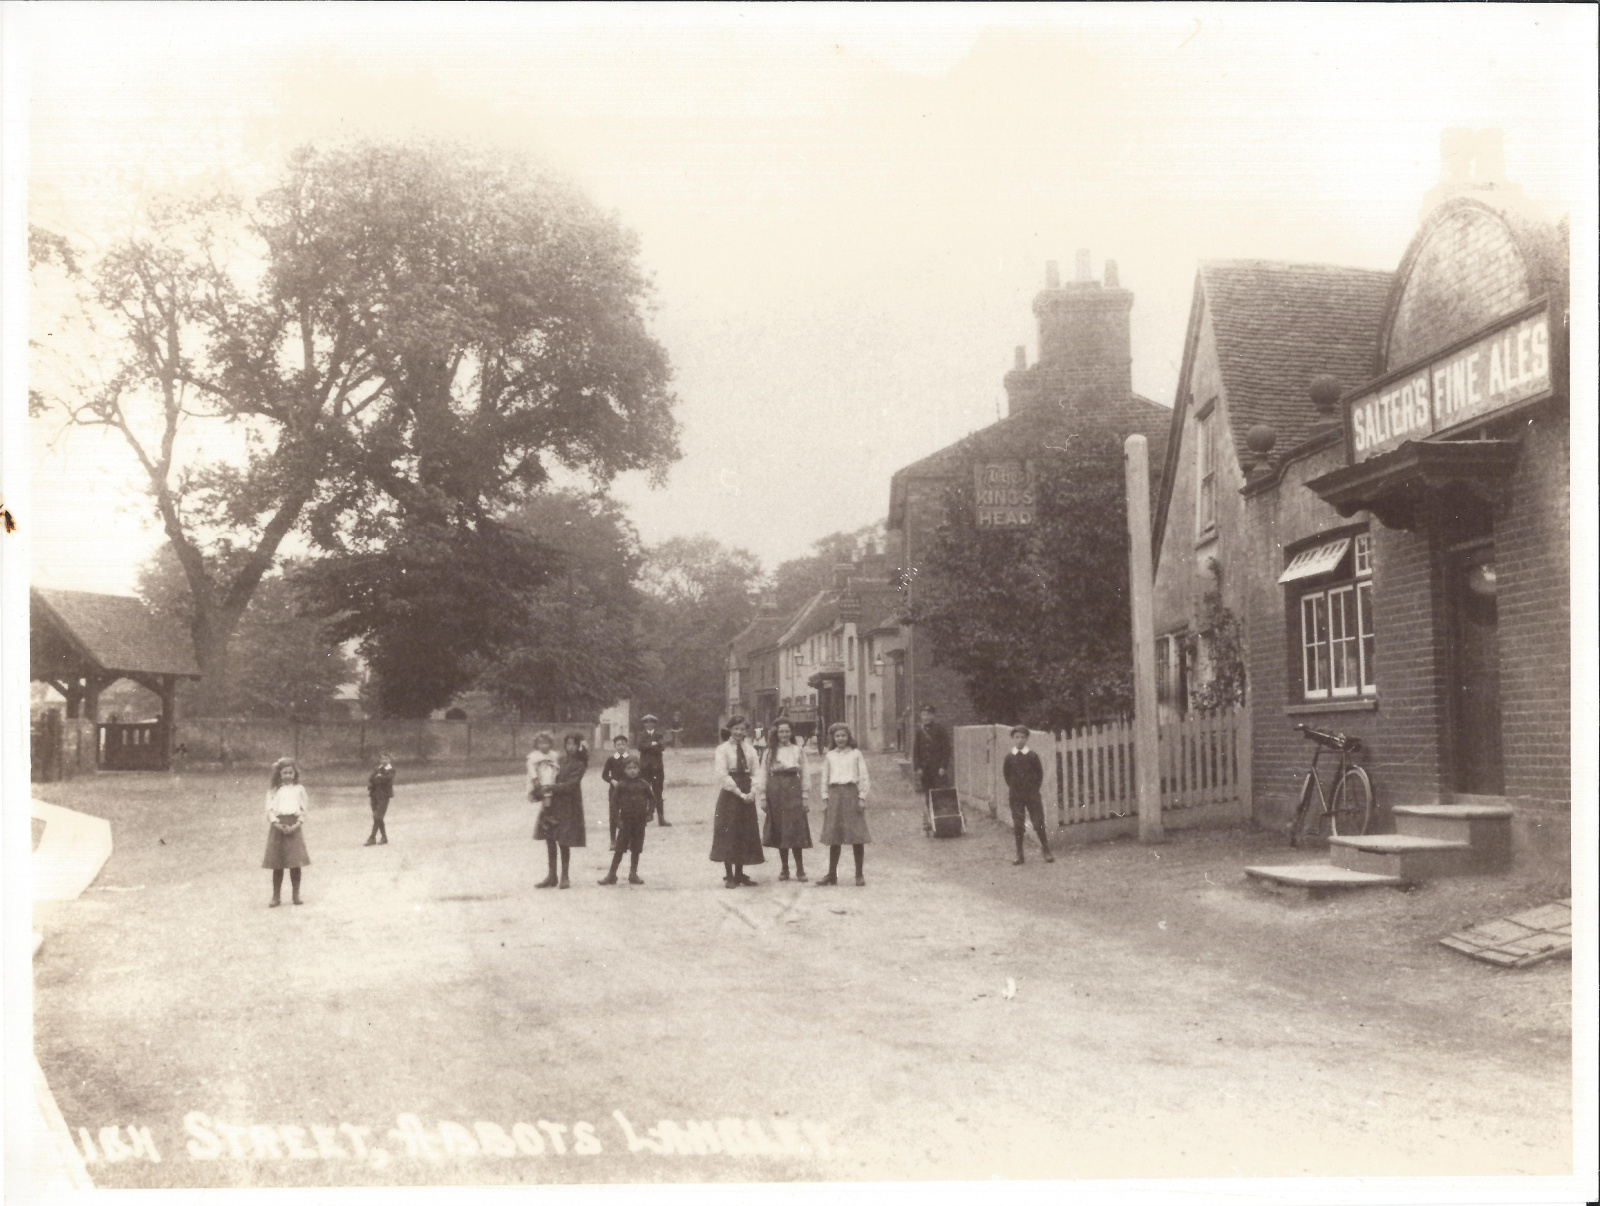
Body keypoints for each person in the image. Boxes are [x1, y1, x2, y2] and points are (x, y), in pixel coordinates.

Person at [710, 716, 765, 887]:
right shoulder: (722, 749)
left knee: (745, 831)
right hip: (731, 792)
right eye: (736, 729)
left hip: (747, 789)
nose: (739, 732)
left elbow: (757, 772)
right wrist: (739, 793)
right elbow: (722, 774)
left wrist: (753, 791)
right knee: (729, 831)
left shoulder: (751, 750)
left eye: (742, 729)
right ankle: (729, 875)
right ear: (730, 729)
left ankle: (740, 873)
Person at [818, 722, 871, 887]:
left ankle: (859, 874)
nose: (840, 739)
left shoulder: (856, 754)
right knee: (834, 836)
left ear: (849, 737)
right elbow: (824, 778)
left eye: (843, 735)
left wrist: (862, 797)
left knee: (857, 835)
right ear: (833, 738)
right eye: (837, 736)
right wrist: (825, 798)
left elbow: (863, 776)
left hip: (851, 794)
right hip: (834, 795)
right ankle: (832, 874)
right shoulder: (830, 756)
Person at [533, 732, 588, 889]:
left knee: (563, 839)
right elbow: (547, 774)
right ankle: (552, 875)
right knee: (550, 837)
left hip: (568, 805)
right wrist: (539, 786)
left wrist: (550, 787)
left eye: (573, 744)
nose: (570, 747)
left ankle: (565, 875)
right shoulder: (559, 760)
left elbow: (571, 785)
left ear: (579, 746)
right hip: (553, 803)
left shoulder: (580, 764)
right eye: (568, 744)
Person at [761, 718, 812, 881]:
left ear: (791, 733)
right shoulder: (769, 751)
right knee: (780, 828)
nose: (784, 734)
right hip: (775, 789)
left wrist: (805, 796)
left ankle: (800, 869)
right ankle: (784, 869)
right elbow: (763, 774)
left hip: (793, 787)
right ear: (776, 733)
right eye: (781, 731)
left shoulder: (798, 750)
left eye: (787, 731)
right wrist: (762, 796)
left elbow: (805, 773)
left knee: (796, 828)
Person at [1002, 725, 1055, 866]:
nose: (1020, 740)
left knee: (1038, 822)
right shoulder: (1009, 757)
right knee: (1018, 824)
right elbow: (1007, 776)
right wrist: (1016, 788)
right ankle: (1019, 854)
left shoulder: (1032, 756)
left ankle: (1046, 849)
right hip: (1016, 795)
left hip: (1032, 794)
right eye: (1017, 737)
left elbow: (1039, 775)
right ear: (1013, 739)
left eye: (1022, 737)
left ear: (1027, 739)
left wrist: (1032, 789)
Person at [262, 757, 310, 907]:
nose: (288, 775)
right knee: (278, 863)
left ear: (295, 774)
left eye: (291, 772)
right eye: (284, 773)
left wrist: (297, 824)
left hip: (294, 825)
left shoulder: (299, 789)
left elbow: (303, 809)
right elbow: (269, 809)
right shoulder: (274, 790)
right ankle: (276, 896)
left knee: (295, 862)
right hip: (278, 827)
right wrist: (276, 823)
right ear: (279, 774)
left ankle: (296, 894)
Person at [599, 754, 652, 886]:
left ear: (639, 769)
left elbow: (652, 799)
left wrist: (650, 813)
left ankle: (633, 874)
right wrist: (616, 819)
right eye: (629, 768)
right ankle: (612, 874)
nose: (632, 771)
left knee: (636, 847)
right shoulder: (621, 785)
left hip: (639, 821)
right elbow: (614, 803)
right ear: (624, 770)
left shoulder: (644, 785)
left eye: (635, 768)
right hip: (625, 821)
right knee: (620, 847)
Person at [635, 714, 670, 826]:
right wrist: (653, 744)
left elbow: (662, 747)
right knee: (643, 793)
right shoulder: (641, 735)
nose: (649, 724)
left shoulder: (659, 735)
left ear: (654, 724)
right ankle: (643, 817)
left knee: (658, 793)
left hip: (657, 768)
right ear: (644, 724)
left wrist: (649, 746)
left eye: (651, 722)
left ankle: (661, 818)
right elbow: (640, 747)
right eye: (646, 722)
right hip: (644, 768)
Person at [600, 734, 632, 851]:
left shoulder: (630, 759)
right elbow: (604, 775)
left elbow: (636, 773)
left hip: (628, 791)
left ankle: (627, 841)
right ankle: (613, 841)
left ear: (626, 745)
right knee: (613, 815)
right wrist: (612, 781)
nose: (621, 747)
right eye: (618, 744)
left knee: (627, 815)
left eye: (623, 744)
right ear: (614, 746)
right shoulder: (611, 760)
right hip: (614, 791)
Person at [912, 704, 952, 793]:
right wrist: (918, 767)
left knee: (939, 793)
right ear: (921, 716)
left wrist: (943, 766)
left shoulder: (940, 730)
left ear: (933, 716)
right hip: (925, 768)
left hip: (937, 768)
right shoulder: (919, 731)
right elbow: (916, 750)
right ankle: (929, 807)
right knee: (927, 792)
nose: (926, 717)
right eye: (924, 715)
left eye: (929, 714)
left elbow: (946, 749)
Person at [364, 752, 395, 846]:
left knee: (377, 816)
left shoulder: (391, 770)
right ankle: (384, 837)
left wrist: (379, 776)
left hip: (384, 796)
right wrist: (379, 776)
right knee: (378, 817)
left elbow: (386, 780)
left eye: (387, 759)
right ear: (380, 760)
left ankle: (372, 837)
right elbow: (370, 778)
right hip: (374, 795)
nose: (384, 761)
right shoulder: (377, 768)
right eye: (383, 759)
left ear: (389, 760)